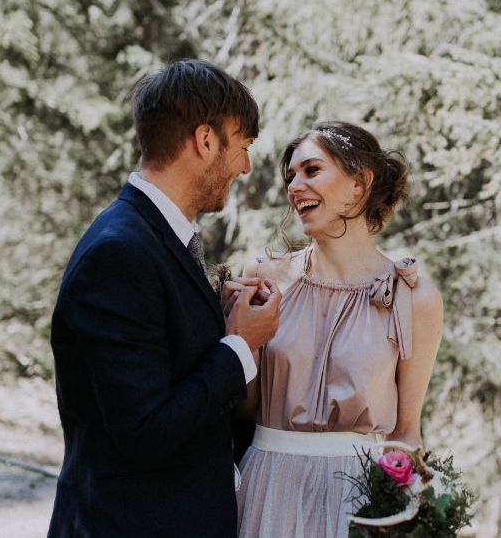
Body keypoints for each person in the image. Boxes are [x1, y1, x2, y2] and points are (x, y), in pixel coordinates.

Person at [47, 60, 282, 537]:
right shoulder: (120, 252)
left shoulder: (156, 239)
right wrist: (239, 346)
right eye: (242, 146)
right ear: (205, 140)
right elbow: (144, 431)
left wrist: (219, 322)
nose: (245, 166)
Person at [227, 122, 444, 538]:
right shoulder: (265, 277)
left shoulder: (414, 298)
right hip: (267, 485)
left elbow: (405, 432)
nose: (295, 186)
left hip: (356, 499)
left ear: (360, 183)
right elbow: (246, 410)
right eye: (291, 176)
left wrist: (402, 520)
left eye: (311, 170)